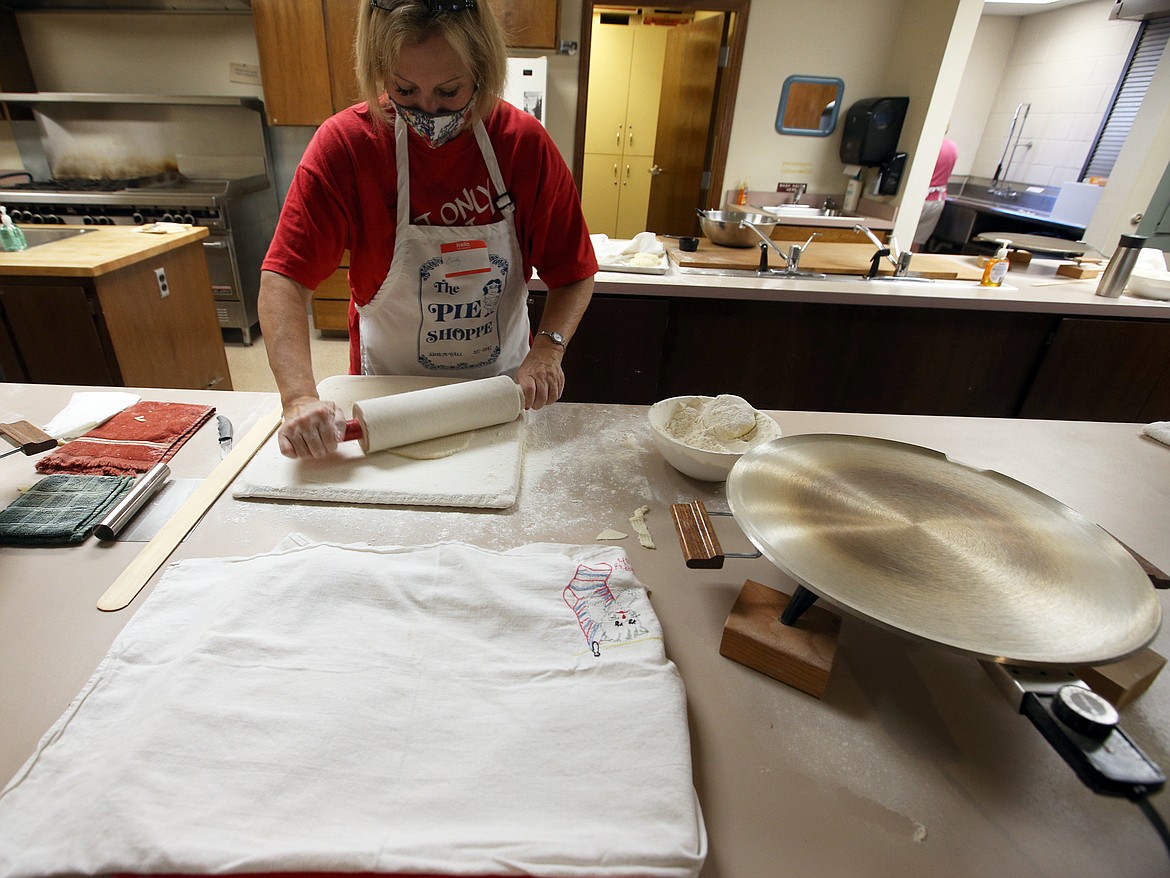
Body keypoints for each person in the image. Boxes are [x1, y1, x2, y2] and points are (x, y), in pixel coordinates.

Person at [259, 0, 597, 460]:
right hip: (385, 397)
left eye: (449, 91)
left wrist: (548, 349)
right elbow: (286, 278)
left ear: (482, 69)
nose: (428, 109)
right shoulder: (347, 147)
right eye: (405, 89)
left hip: (497, 393)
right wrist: (298, 396)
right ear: (380, 71)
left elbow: (572, 269)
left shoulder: (522, 145)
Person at [913, 135, 958, 250]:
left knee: (899, 240)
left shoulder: (927, 145)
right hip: (937, 202)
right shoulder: (952, 147)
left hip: (917, 199)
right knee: (916, 242)